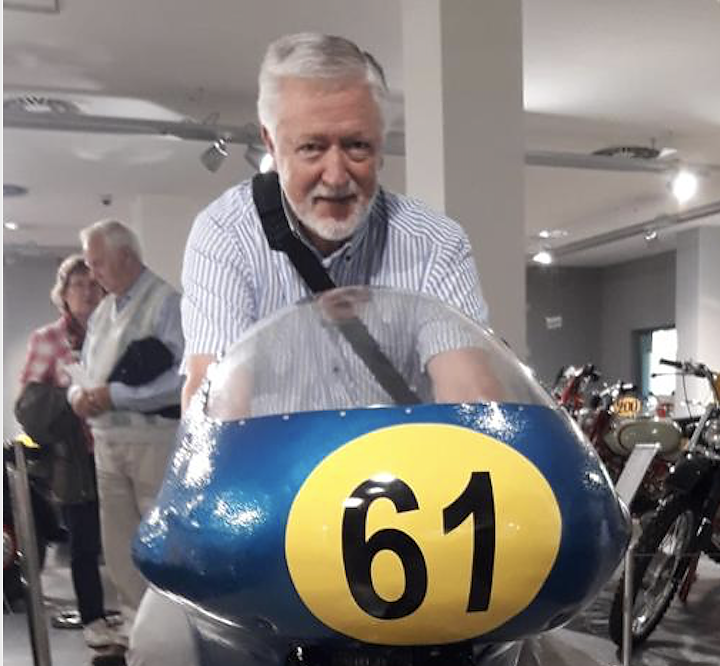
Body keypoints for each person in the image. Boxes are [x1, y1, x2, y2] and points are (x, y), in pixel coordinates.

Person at [130, 33, 518, 666]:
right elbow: (217, 397)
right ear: (269, 139)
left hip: (409, 520)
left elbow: (470, 393)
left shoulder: (434, 242)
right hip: (271, 514)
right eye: (311, 147)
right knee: (161, 642)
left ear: (382, 142)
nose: (336, 175)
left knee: (514, 641)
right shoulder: (225, 235)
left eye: (357, 146)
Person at [68, 220, 184, 652]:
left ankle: (170, 638)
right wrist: (78, 396)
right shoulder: (103, 311)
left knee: (160, 541)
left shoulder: (166, 302)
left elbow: (182, 379)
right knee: (119, 546)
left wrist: (116, 395)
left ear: (126, 257)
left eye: (98, 263)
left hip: (152, 442)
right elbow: (85, 367)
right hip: (108, 444)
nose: (92, 273)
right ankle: (137, 635)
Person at [15, 255, 119, 649]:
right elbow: (29, 404)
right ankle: (93, 619)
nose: (88, 292)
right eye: (79, 285)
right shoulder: (47, 339)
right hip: (75, 458)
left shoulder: (117, 332)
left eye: (95, 284)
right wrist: (72, 396)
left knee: (126, 538)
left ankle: (131, 615)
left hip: (119, 447)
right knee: (84, 544)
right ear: (64, 293)